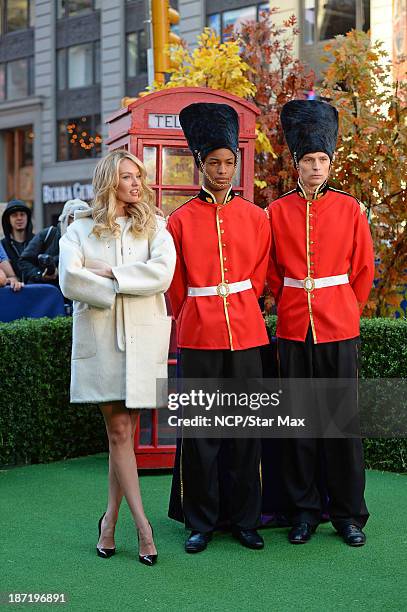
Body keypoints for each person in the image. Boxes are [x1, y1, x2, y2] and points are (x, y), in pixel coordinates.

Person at [59, 149, 176, 566]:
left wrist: (110, 273)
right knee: (121, 432)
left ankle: (108, 522)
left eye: (138, 177)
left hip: (144, 337)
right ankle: (143, 527)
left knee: (121, 437)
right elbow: (71, 279)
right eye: (127, 176)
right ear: (110, 180)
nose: (136, 184)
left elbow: (163, 273)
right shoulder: (81, 229)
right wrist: (124, 283)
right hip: (103, 339)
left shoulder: (155, 225)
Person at [266, 99, 375, 546]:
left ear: (331, 163)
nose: (316, 167)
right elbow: (270, 269)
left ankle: (348, 514)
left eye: (322, 160)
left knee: (341, 426)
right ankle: (305, 511)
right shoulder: (275, 212)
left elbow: (364, 270)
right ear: (296, 163)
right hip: (294, 327)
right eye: (308, 160)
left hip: (338, 328)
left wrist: (344, 309)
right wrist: (291, 298)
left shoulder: (350, 209)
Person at [167, 103, 271, 553]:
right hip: (199, 335)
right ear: (200, 166)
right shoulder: (179, 220)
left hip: (247, 334)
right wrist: (198, 314)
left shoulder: (256, 216)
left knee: (245, 431)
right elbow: (175, 288)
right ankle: (201, 521)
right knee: (203, 432)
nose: (224, 170)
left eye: (230, 162)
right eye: (214, 163)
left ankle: (246, 519)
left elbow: (261, 276)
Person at [19, 199, 88, 285]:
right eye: (74, 217)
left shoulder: (90, 242)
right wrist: (41, 275)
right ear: (65, 219)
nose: (78, 222)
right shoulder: (48, 234)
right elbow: (24, 261)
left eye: (84, 218)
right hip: (50, 294)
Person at [1, 199, 34, 280]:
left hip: (36, 290)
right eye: (14, 215)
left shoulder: (38, 242)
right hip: (12, 291)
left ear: (27, 217)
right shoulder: (2, 246)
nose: (19, 218)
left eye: (22, 214)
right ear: (8, 220)